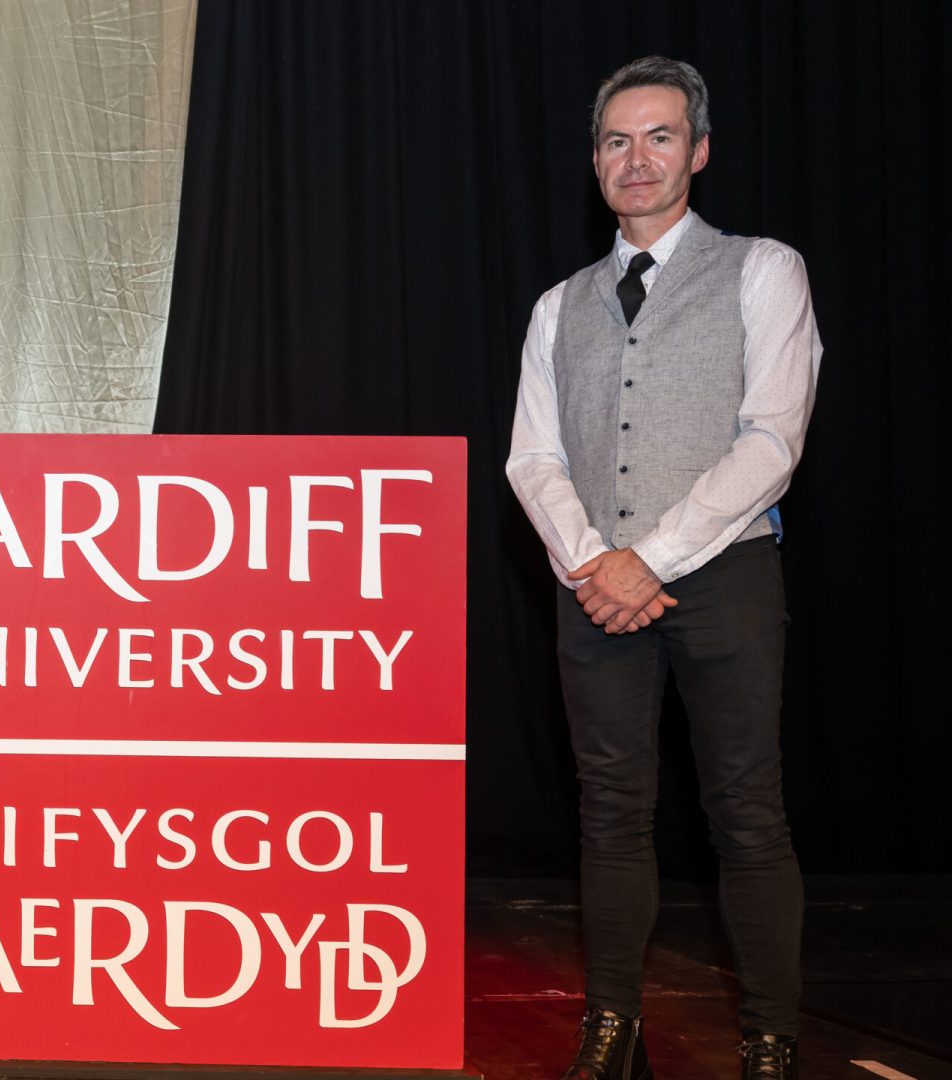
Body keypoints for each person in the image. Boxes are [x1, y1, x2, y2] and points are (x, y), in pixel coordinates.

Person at [506, 57, 821, 1080]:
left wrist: (650, 558)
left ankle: (771, 1037)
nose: (634, 159)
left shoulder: (764, 269)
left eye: (657, 137)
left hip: (724, 577)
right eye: (614, 141)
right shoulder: (561, 305)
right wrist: (598, 564)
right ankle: (612, 1025)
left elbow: (772, 439)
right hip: (592, 587)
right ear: (595, 162)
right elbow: (534, 457)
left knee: (746, 808)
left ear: (698, 152)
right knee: (609, 813)